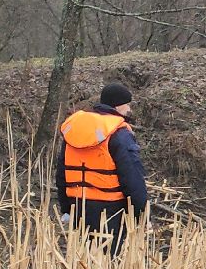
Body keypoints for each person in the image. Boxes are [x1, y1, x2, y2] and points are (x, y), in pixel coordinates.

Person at [56, 82, 148, 252]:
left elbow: (62, 173)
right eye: (128, 104)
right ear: (118, 105)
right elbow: (132, 177)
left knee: (85, 262)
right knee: (110, 265)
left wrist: (66, 209)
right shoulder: (119, 134)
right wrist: (141, 212)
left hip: (79, 208)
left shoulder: (75, 131)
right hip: (111, 212)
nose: (130, 109)